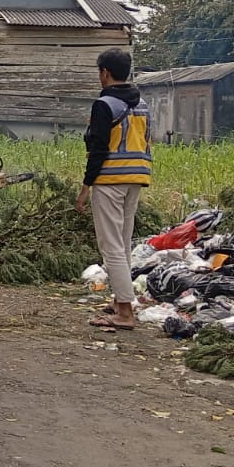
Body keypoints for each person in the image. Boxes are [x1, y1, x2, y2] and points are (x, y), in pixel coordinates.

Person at [76, 48, 151, 332]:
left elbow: (98, 149)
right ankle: (121, 302)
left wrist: (85, 188)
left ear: (105, 73)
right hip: (136, 177)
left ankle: (125, 313)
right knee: (123, 243)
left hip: (110, 179)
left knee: (112, 247)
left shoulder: (104, 105)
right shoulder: (142, 103)